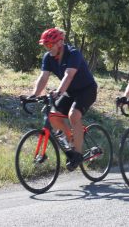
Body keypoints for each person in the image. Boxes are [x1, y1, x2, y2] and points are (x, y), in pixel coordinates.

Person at [30, 28, 98, 171]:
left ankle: (78, 155)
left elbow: (68, 76)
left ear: (60, 42)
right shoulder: (48, 57)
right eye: (45, 45)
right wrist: (34, 95)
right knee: (53, 116)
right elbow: (43, 77)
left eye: (50, 45)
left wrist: (59, 92)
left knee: (74, 115)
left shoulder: (73, 54)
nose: (47, 48)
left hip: (87, 90)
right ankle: (72, 140)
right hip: (70, 92)